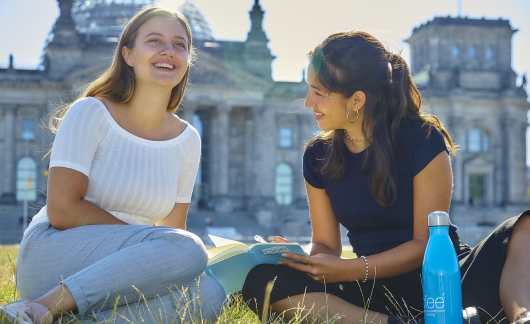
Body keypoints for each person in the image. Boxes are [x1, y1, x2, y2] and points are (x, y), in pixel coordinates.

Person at [241, 31, 530, 324]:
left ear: (356, 100)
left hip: (446, 280)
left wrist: (349, 269)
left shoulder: (422, 139)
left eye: (319, 93)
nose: (307, 102)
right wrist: (303, 260)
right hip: (372, 291)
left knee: (524, 228)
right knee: (262, 281)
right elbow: (326, 245)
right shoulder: (317, 156)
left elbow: (425, 244)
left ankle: (523, 318)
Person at [0, 7, 226, 324]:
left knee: (211, 292)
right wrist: (146, 245)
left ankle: (68, 320)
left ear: (188, 60)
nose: (168, 51)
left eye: (179, 44)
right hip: (54, 257)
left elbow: (171, 229)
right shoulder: (90, 112)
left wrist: (154, 251)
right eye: (154, 40)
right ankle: (39, 307)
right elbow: (62, 211)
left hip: (122, 272)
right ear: (127, 55)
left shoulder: (188, 139)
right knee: (189, 248)